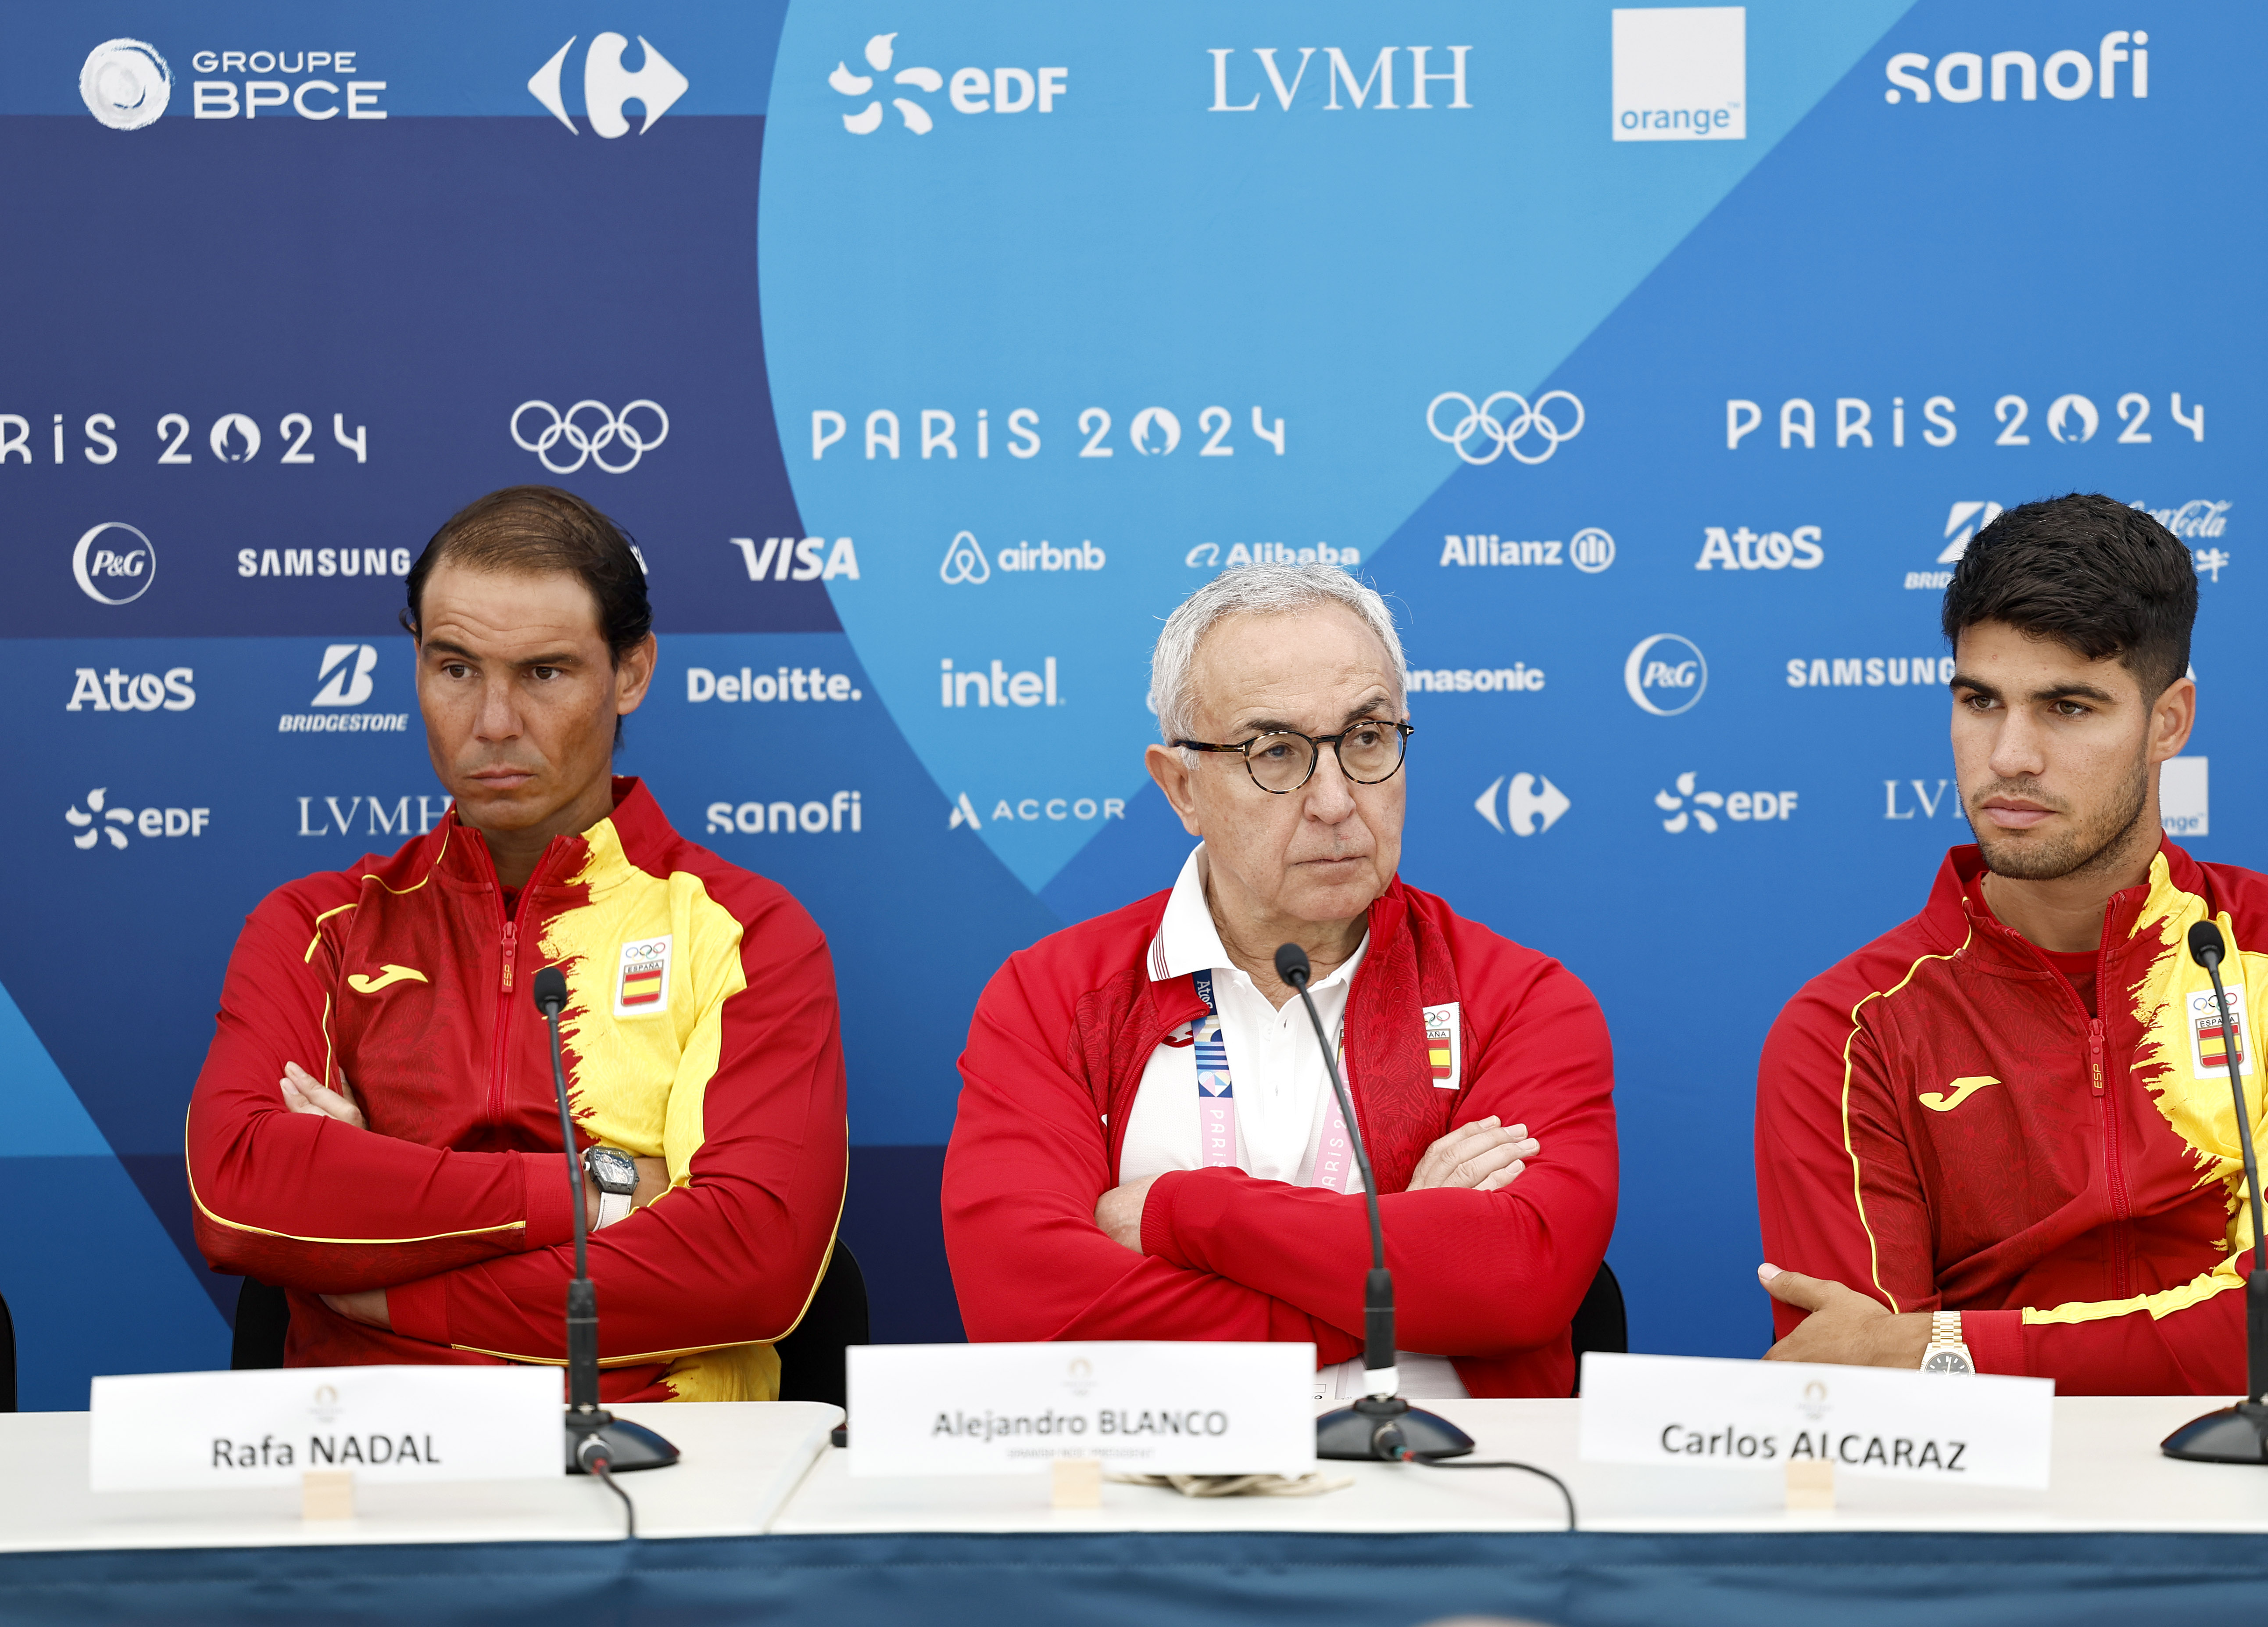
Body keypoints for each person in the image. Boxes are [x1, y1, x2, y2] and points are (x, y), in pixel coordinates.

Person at [186, 485, 847, 1401]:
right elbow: (240, 1193)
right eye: (456, 668)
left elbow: (751, 1262)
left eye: (544, 672)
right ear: (416, 662)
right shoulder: (317, 926)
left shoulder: (746, 932)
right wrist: (593, 1194)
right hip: (373, 1460)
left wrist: (379, 1268)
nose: (493, 722)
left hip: (667, 1470)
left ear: (632, 671)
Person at [1754, 494, 2268, 1394]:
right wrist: (2227, 1347)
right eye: (1978, 700)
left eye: (2067, 706)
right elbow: (1862, 1394)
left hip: (2263, 1512)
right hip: (1983, 1524)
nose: (2009, 754)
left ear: (2169, 722)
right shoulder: (1847, 1030)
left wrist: (1938, 1346)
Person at [942, 564, 1617, 1398]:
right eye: (1277, 753)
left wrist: (1175, 1215)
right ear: (1182, 785)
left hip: (1450, 1499)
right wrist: (1404, 1271)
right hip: (1153, 1506)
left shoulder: (1518, 999)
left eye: (1367, 739)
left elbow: (1516, 1279)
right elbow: (1038, 1318)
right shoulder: (1052, 1000)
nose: (1335, 799)